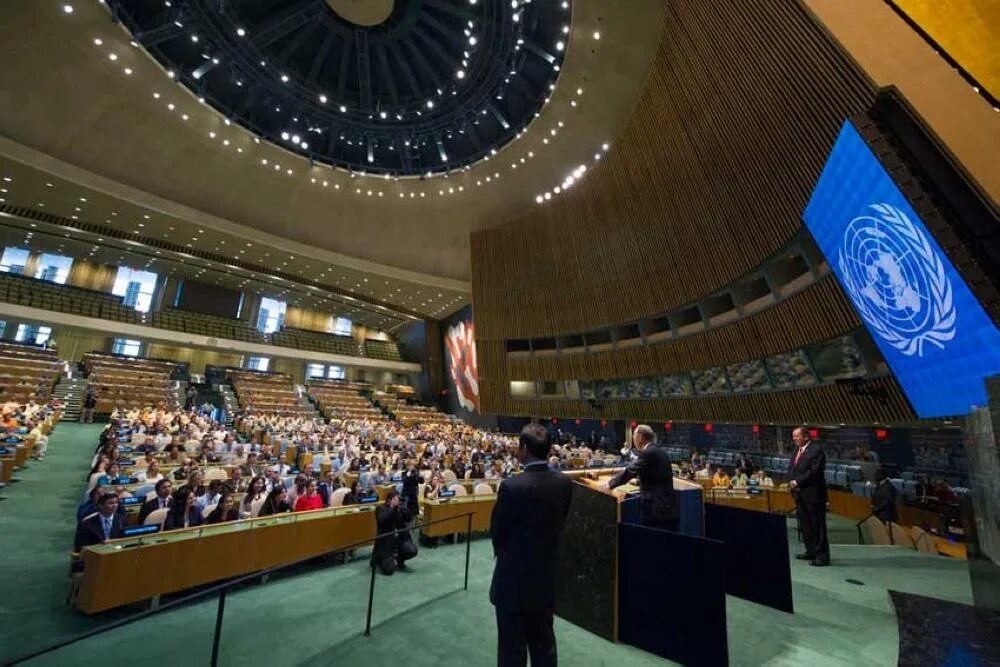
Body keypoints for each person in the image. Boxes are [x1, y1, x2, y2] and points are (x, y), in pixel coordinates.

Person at [490, 423, 573, 667]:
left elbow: (498, 532)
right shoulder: (564, 484)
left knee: (512, 651)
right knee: (544, 647)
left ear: (523, 449)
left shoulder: (512, 486)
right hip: (546, 579)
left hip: (513, 583)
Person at [608, 424, 676, 530]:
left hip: (654, 507)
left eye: (634, 437)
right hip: (667, 504)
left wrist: (610, 484)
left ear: (640, 437)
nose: (633, 441)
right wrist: (638, 482)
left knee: (650, 537)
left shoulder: (647, 453)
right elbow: (657, 476)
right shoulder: (661, 452)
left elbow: (630, 471)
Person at [788, 426, 829, 566]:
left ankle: (822, 556)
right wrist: (791, 481)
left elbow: (814, 471)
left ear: (806, 436)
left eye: (797, 436)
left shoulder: (816, 450)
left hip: (813, 494)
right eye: (793, 436)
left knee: (817, 525)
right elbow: (792, 467)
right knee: (805, 525)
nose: (794, 439)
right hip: (800, 494)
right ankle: (810, 551)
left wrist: (797, 481)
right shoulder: (797, 450)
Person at [372, 489, 418, 575]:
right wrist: (392, 508)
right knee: (389, 570)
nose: (398, 501)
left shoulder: (400, 508)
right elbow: (381, 519)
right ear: (390, 500)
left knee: (412, 550)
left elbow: (408, 519)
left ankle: (398, 559)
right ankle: (382, 559)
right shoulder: (381, 508)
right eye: (396, 499)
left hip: (399, 539)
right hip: (386, 541)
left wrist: (404, 510)